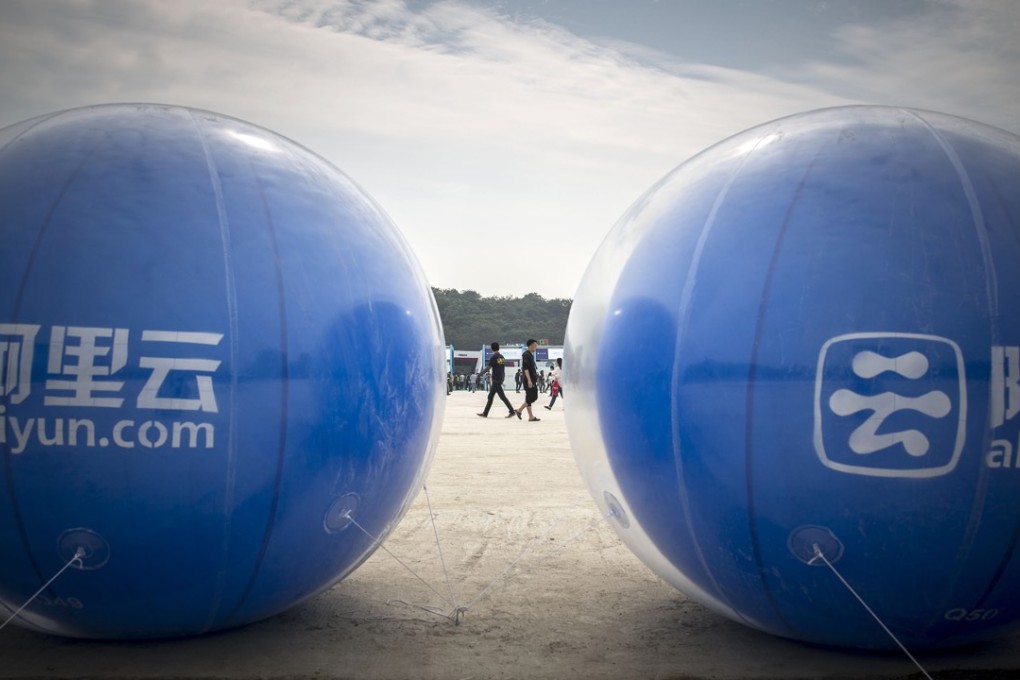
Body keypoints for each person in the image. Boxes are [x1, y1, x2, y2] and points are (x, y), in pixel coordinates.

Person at [477, 342, 516, 418]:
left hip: (496, 379)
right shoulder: (501, 357)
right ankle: (485, 413)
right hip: (499, 378)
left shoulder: (494, 357)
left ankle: (512, 411)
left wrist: (479, 374)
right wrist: (502, 378)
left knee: (502, 397)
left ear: (492, 348)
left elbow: (488, 367)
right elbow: (502, 368)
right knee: (490, 397)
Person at [513, 339, 541, 421]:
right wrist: (529, 380)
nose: (536, 347)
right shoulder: (526, 355)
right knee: (532, 397)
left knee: (529, 398)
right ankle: (519, 410)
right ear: (531, 346)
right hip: (529, 380)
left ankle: (531, 416)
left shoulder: (530, 355)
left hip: (532, 380)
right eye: (535, 346)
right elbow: (525, 369)